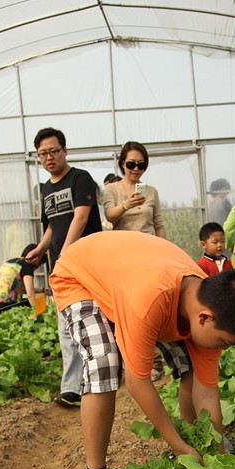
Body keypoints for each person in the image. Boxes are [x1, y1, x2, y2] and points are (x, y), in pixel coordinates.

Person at [49, 231, 235, 469]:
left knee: (193, 364)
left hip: (126, 275)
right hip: (80, 276)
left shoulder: (207, 300)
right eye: (225, 342)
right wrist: (176, 445)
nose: (224, 348)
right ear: (205, 318)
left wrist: (216, 447)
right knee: (105, 364)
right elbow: (138, 381)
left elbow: (206, 390)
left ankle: (195, 442)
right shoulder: (149, 301)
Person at [25, 128, 102, 408]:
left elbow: (80, 218)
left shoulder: (80, 179)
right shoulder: (46, 188)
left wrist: (66, 252)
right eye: (42, 153)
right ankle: (72, 387)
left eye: (53, 151)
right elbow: (51, 226)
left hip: (84, 261)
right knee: (66, 325)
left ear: (64, 150)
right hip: (62, 267)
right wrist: (41, 249)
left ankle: (94, 380)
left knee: (90, 321)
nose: (49, 157)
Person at [104, 141, 166, 381]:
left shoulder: (151, 191)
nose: (136, 169)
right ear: (122, 164)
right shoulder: (112, 190)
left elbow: (158, 223)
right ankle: (127, 364)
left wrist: (165, 250)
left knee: (150, 308)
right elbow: (109, 216)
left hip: (149, 255)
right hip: (123, 257)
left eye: (141, 165)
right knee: (123, 311)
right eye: (131, 164)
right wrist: (126, 204)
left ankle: (155, 362)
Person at [0, 244, 46, 314]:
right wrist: (38, 312)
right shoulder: (27, 266)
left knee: (26, 302)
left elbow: (21, 289)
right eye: (40, 263)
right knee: (37, 303)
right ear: (36, 258)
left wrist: (42, 290)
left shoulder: (13, 262)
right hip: (3, 305)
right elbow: (30, 294)